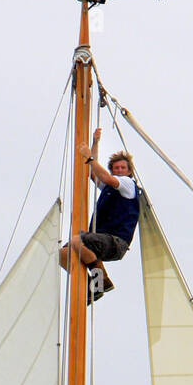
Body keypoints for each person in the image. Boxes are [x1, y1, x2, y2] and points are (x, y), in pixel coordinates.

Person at [58, 128, 140, 302]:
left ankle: (100, 281)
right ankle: (93, 286)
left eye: (122, 168)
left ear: (129, 171)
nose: (119, 170)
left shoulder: (127, 184)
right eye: (115, 168)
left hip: (117, 241)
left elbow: (107, 177)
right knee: (63, 253)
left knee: (76, 241)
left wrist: (90, 158)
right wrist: (95, 144)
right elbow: (94, 173)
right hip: (100, 239)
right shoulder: (110, 186)